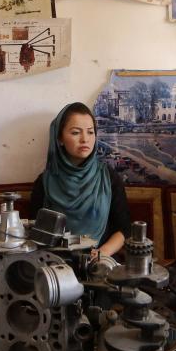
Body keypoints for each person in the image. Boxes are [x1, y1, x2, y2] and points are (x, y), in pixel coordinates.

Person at [30, 102, 130, 259]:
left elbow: (123, 230)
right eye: (76, 133)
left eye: (90, 132)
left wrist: (100, 254)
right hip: (55, 264)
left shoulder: (108, 177)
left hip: (100, 263)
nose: (85, 139)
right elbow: (36, 231)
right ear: (60, 138)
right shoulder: (45, 182)